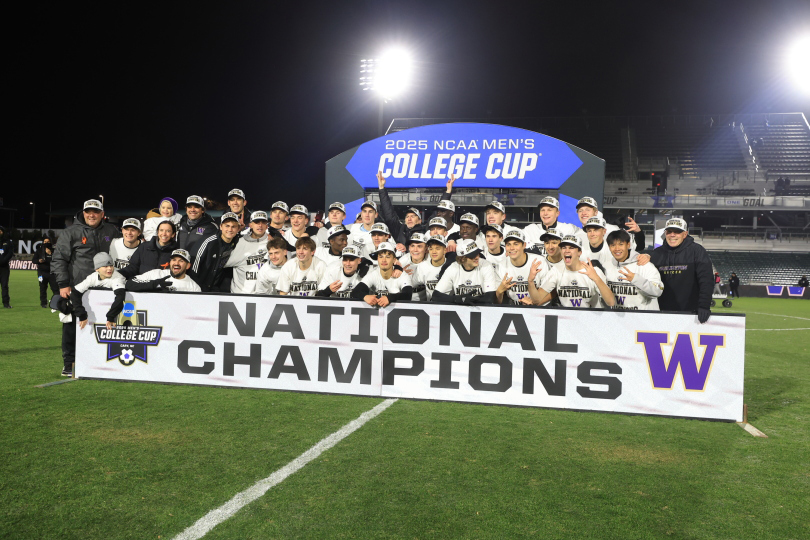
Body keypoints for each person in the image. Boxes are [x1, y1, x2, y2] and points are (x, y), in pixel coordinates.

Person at [52, 199, 121, 376]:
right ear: (83, 212)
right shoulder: (71, 232)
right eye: (88, 211)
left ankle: (97, 363)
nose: (92, 215)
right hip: (78, 288)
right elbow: (59, 259)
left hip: (105, 287)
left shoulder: (111, 230)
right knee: (71, 326)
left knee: (101, 325)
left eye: (96, 212)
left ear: (102, 213)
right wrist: (63, 284)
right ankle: (69, 363)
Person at [644, 218, 714, 323]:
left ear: (685, 234)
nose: (672, 235)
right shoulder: (656, 254)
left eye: (677, 232)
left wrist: (704, 306)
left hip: (690, 313)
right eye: (669, 232)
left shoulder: (697, 251)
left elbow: (706, 280)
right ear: (665, 233)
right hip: (661, 313)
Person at [530, 235, 616, 308]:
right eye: (564, 248)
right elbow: (537, 300)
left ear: (579, 253)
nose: (567, 250)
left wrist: (596, 278)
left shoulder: (593, 271)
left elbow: (611, 302)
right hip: (568, 320)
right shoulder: (556, 271)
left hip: (592, 320)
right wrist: (530, 281)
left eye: (571, 248)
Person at [603, 230, 663, 310]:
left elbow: (658, 291)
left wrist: (636, 279)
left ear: (628, 245)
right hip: (618, 318)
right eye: (613, 245)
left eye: (621, 244)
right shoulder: (606, 266)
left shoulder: (644, 265)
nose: (617, 249)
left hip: (643, 319)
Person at [71, 253, 127, 335]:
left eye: (111, 265)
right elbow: (75, 293)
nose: (109, 269)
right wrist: (81, 314)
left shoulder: (117, 278)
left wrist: (111, 316)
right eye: (105, 266)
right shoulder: (92, 277)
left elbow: (120, 297)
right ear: (97, 269)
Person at [495, 228, 554, 306]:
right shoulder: (501, 266)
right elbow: (496, 303)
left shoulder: (539, 261)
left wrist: (534, 303)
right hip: (513, 308)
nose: (512, 248)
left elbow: (552, 293)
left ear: (524, 245)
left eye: (516, 244)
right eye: (508, 244)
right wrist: (499, 291)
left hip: (540, 308)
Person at [432, 239, 498, 304]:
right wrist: (459, 299)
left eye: (477, 254)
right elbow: (436, 296)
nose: (477, 257)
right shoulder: (453, 268)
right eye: (472, 256)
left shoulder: (486, 265)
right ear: (462, 259)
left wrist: (468, 301)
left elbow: (490, 297)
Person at [190, 212, 242, 292]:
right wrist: (197, 288)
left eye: (233, 227)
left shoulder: (239, 243)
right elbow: (194, 267)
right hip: (201, 287)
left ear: (238, 229)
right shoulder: (209, 242)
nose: (230, 230)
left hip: (218, 288)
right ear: (221, 227)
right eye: (227, 226)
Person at [351, 242, 413, 306]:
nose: (384, 260)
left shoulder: (402, 275)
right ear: (377, 259)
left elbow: (407, 295)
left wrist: (389, 298)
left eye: (388, 257)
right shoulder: (373, 274)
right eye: (381, 257)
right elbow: (356, 291)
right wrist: (365, 296)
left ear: (394, 260)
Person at [376, 171, 425, 249]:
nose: (409, 218)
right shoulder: (399, 230)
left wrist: (406, 248)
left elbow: (440, 214)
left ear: (419, 220)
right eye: (407, 216)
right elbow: (389, 213)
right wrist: (382, 189)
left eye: (413, 216)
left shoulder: (425, 232)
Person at [225, 211, 270, 294]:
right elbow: (223, 263)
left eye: (263, 222)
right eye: (256, 222)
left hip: (266, 295)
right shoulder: (239, 242)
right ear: (250, 225)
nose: (260, 225)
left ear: (267, 226)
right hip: (241, 294)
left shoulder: (272, 243)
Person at [575, 197, 644, 251]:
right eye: (580, 211)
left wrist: (638, 232)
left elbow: (638, 247)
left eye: (588, 210)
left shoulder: (612, 230)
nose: (583, 213)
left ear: (596, 212)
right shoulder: (576, 236)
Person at [125, 249, 201, 292]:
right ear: (170, 263)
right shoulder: (156, 274)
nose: (176, 263)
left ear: (188, 266)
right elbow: (130, 284)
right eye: (174, 260)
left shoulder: (194, 287)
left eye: (181, 261)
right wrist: (155, 284)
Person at [410, 234, 453, 301]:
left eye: (437, 248)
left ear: (445, 250)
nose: (434, 252)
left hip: (451, 306)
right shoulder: (423, 267)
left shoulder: (453, 266)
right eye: (431, 248)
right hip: (430, 307)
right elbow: (412, 285)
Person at [34, 237, 59, 307]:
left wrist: (50, 254)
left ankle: (56, 303)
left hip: (52, 273)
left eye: (48, 242)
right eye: (45, 241)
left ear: (50, 242)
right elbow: (34, 260)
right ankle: (43, 303)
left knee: (55, 289)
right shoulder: (39, 251)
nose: (46, 243)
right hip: (42, 273)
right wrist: (39, 261)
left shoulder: (54, 251)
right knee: (42, 288)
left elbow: (57, 260)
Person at [0, 225, 13, 308]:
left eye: (0, 231)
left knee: (4, 286)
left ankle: (6, 303)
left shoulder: (8, 242)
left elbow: (10, 253)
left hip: (4, 268)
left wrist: (3, 261)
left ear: (3, 232)